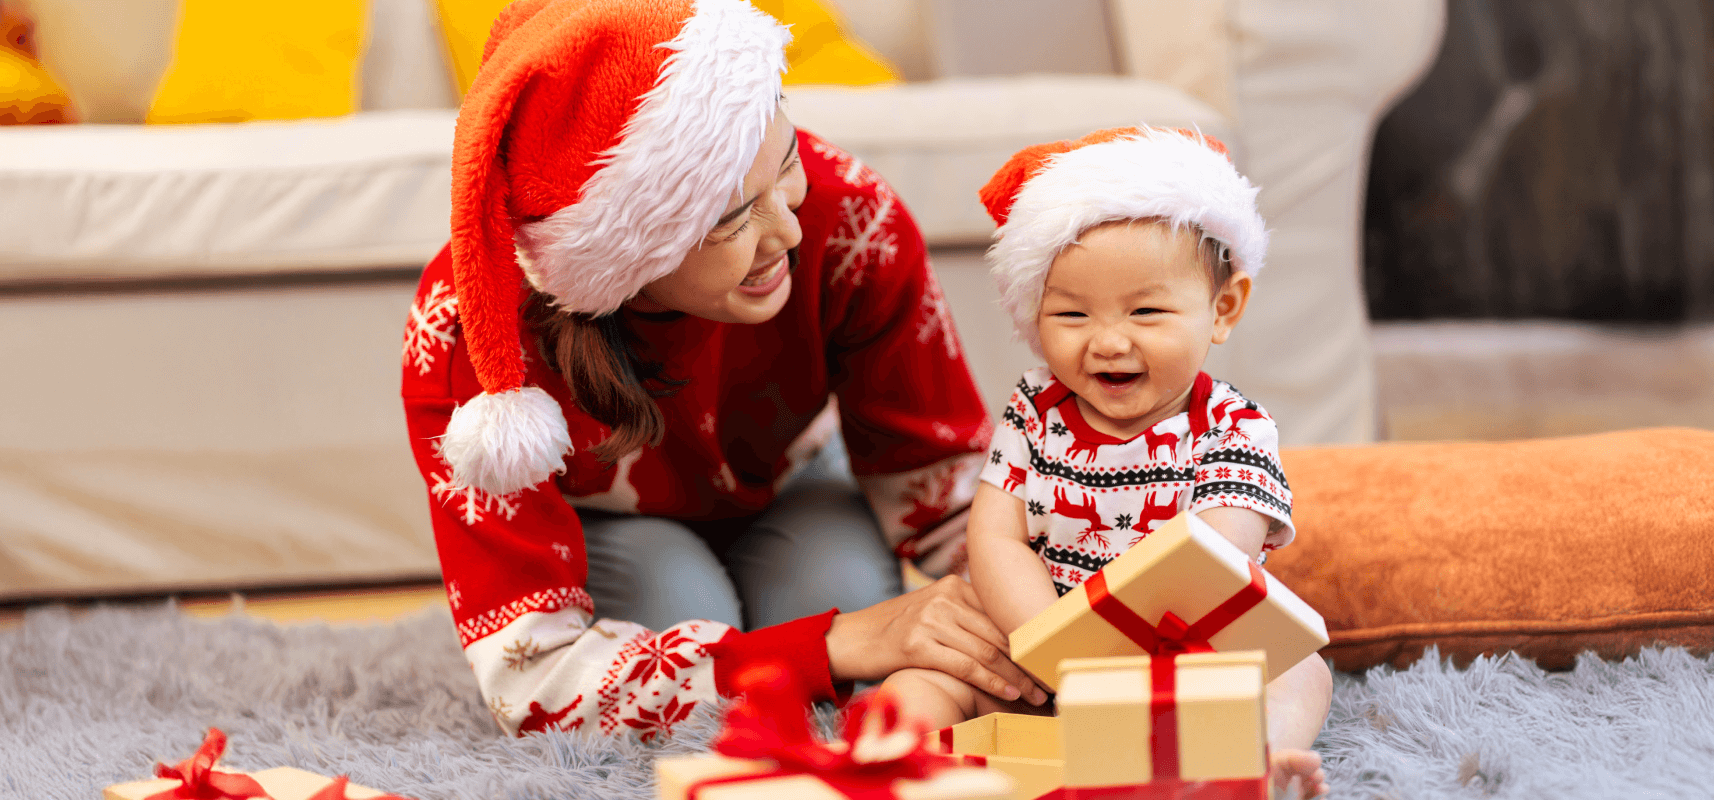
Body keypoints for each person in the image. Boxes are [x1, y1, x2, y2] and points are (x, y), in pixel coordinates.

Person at [398, 0, 1049, 740]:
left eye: (789, 163)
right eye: (733, 219)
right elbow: (538, 678)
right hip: (616, 524)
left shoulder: (853, 217)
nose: (791, 231)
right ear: (626, 249)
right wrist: (842, 641)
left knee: (827, 590)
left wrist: (1068, 595)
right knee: (685, 608)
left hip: (794, 481)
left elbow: (942, 480)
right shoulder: (471, 328)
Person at [880, 128, 1333, 796]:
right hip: (1044, 658)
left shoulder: (1231, 423)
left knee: (1300, 673)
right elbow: (997, 536)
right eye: (1072, 313)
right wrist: (1051, 645)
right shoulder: (1034, 409)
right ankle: (905, 765)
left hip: (1179, 659)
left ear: (1222, 308)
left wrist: (1124, 663)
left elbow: (1215, 550)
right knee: (924, 681)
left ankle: (1248, 763)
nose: (1109, 341)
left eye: (1147, 310)